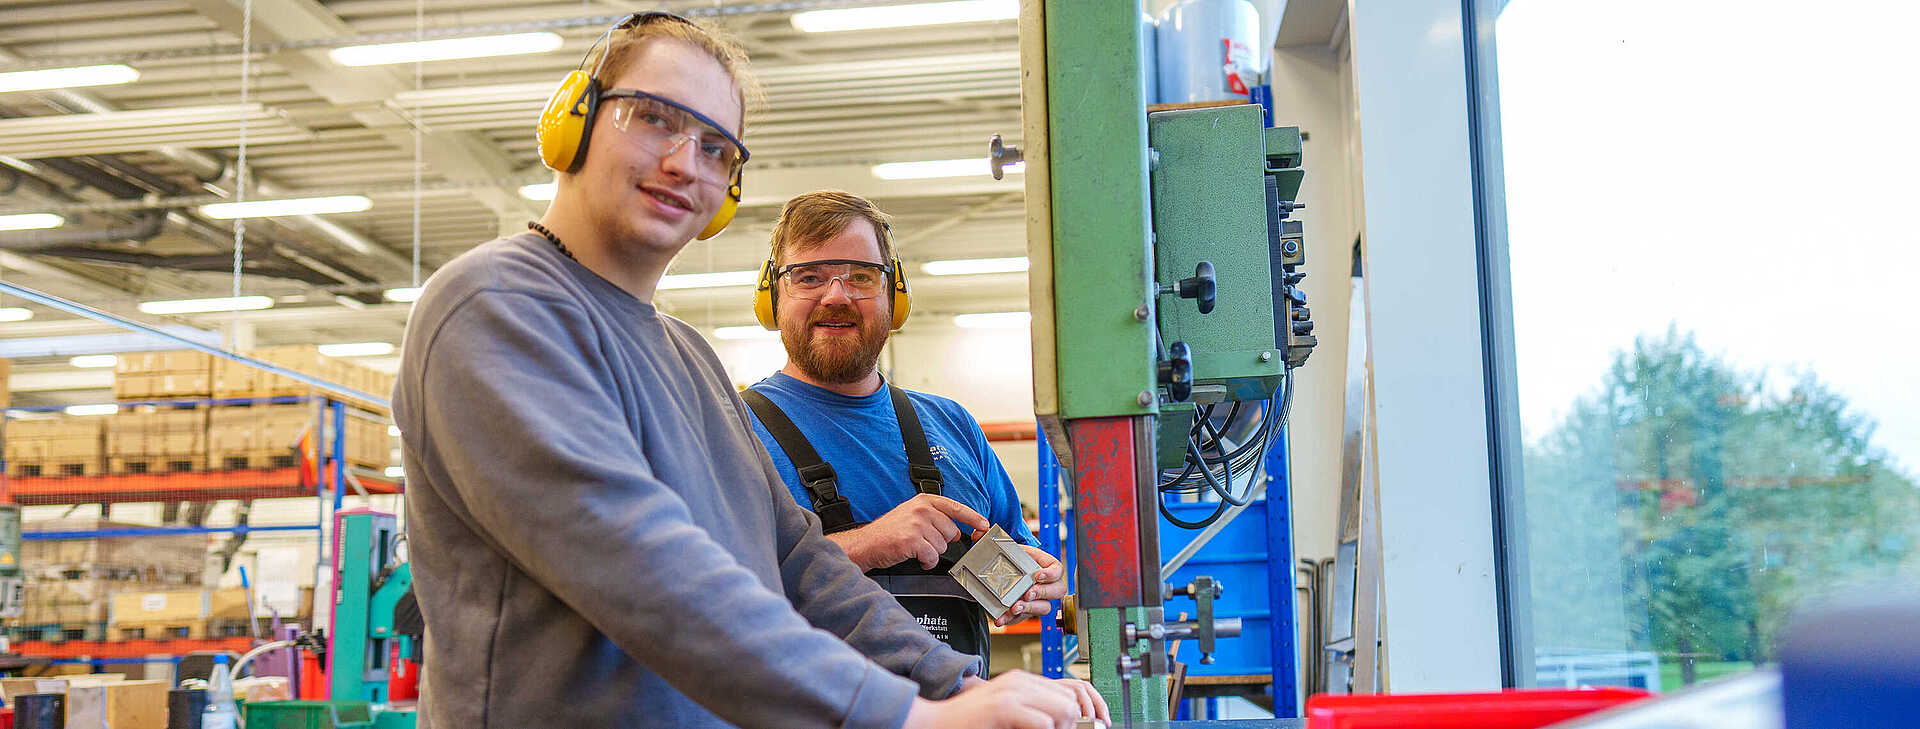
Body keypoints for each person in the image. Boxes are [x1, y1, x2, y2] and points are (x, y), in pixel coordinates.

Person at [390, 12, 1105, 729]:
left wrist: (956, 686)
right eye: (652, 118)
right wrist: (907, 717)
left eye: (715, 147)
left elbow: (796, 560)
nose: (683, 162)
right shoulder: (497, 307)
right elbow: (643, 570)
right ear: (571, 121)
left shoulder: (688, 356)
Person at [741, 191, 1068, 670]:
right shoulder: (730, 428)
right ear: (773, 296)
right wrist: (867, 545)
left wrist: (1037, 581)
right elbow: (696, 593)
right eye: (808, 277)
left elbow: (1024, 557)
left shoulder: (953, 425)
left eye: (861, 276)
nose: (837, 295)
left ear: (894, 295)